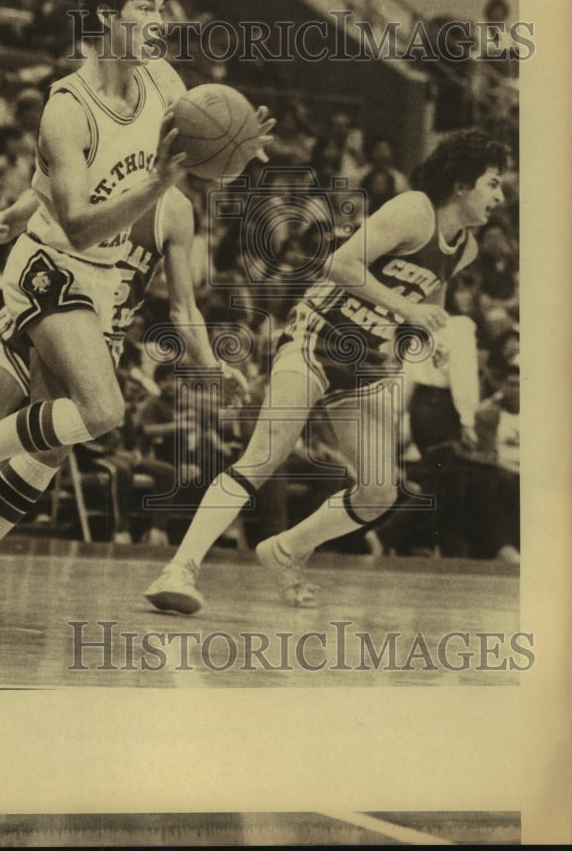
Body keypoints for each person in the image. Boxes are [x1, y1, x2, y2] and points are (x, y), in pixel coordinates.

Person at [0, 182, 249, 623]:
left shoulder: (175, 211)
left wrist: (210, 366)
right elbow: (18, 215)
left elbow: (183, 308)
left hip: (94, 342)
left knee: (42, 454)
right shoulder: (99, 158)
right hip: (38, 313)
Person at [144, 127, 508, 614]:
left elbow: (428, 300)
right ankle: (180, 568)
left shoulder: (465, 248)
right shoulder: (414, 209)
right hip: (316, 337)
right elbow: (339, 264)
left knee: (380, 491)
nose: (501, 197)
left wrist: (429, 337)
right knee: (264, 455)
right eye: (493, 183)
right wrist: (410, 309)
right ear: (462, 184)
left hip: (364, 365)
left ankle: (287, 550)